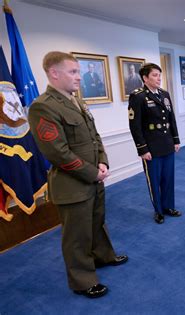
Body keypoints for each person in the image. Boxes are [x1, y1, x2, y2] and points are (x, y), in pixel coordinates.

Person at [28, 51, 127, 298]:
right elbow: (58, 153)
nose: (79, 77)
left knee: (96, 223)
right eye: (73, 72)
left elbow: (94, 138)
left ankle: (103, 256)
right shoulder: (43, 107)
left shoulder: (76, 102)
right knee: (76, 235)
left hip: (94, 178)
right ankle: (83, 280)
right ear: (54, 73)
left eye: (78, 72)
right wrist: (93, 173)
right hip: (72, 185)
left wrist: (102, 161)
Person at [128, 63, 181, 224]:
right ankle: (158, 211)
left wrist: (176, 140)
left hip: (167, 144)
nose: (159, 78)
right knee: (154, 180)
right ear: (145, 78)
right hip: (151, 148)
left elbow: (171, 119)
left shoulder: (164, 94)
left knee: (168, 178)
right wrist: (142, 149)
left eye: (159, 75)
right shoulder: (138, 96)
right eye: (155, 75)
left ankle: (168, 207)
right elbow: (135, 126)